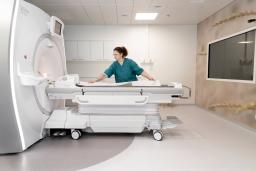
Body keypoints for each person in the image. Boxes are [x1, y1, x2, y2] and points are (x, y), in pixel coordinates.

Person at [90, 46, 154, 83]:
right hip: (120, 87)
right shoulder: (114, 65)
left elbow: (140, 71)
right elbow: (105, 74)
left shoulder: (130, 62)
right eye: (113, 55)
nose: (114, 56)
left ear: (121, 54)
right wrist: (95, 80)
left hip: (132, 87)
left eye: (116, 54)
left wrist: (150, 77)